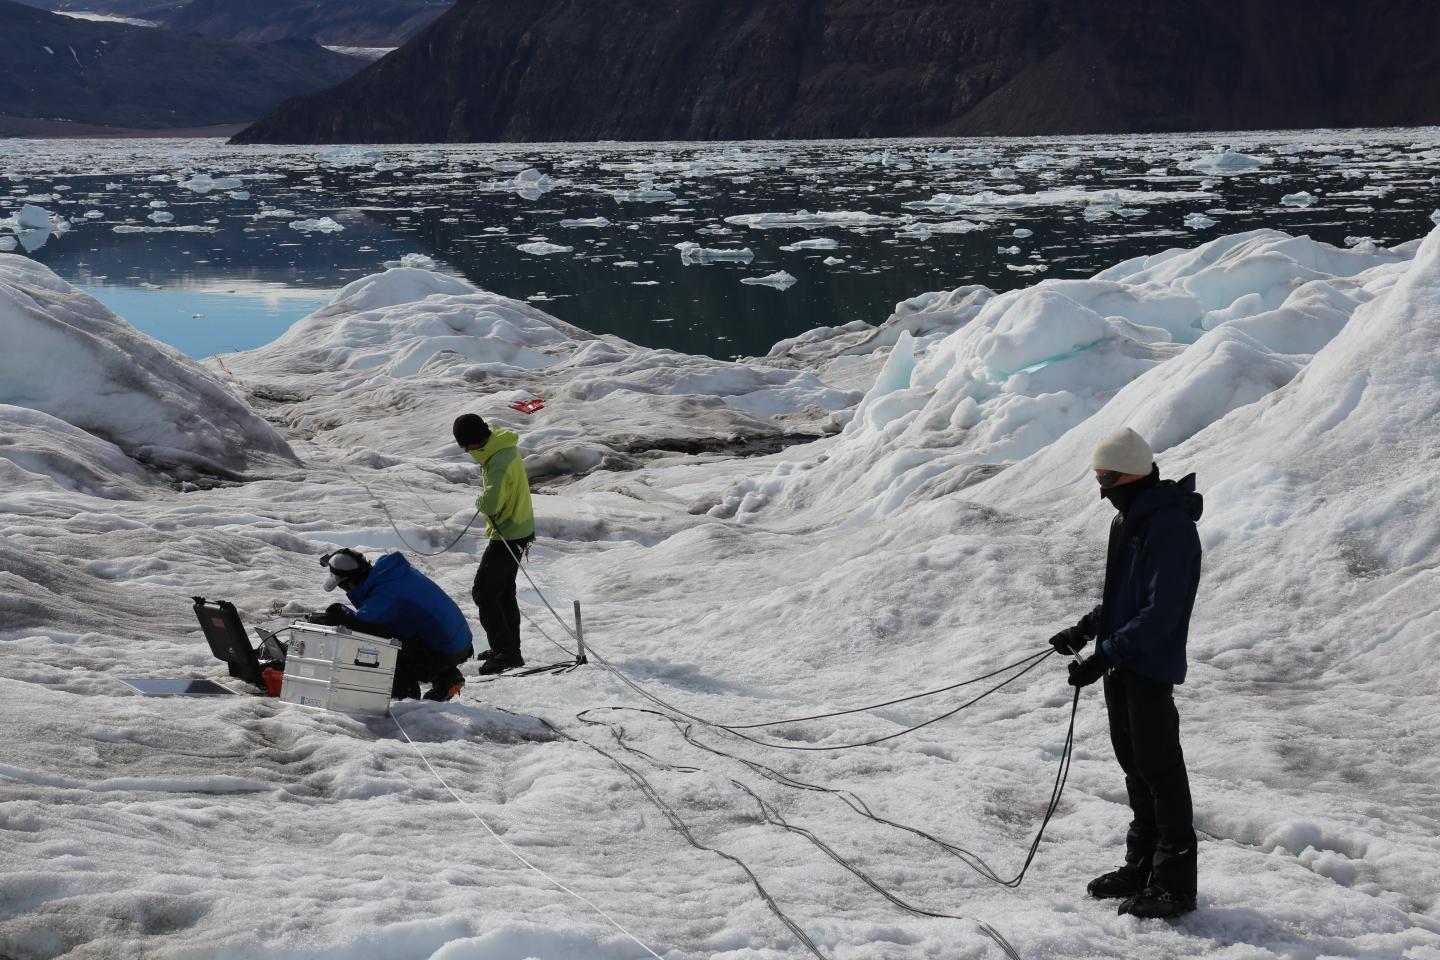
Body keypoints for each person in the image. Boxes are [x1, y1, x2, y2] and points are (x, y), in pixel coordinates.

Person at [1050, 426, 1202, 920]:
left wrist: (1105, 653)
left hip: (1148, 666)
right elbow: (1123, 597)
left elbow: (1161, 611)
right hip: (1122, 663)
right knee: (1136, 769)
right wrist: (1086, 629)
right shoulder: (1130, 520)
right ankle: (1141, 867)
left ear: (1130, 476)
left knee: (1161, 774)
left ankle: (1175, 886)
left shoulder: (1168, 526)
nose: (1101, 489)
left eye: (1106, 478)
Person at [310, 548, 474, 701]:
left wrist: (329, 620)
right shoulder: (389, 573)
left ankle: (405, 695)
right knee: (394, 635)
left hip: (446, 649)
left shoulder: (383, 596)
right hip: (459, 640)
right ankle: (447, 675)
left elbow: (362, 627)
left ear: (348, 582)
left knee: (380, 644)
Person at [453, 413, 535, 675]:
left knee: (484, 593)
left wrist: (479, 502)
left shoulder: (497, 461)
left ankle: (507, 654)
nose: (465, 451)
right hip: (519, 529)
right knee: (503, 592)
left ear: (475, 440)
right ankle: (509, 648)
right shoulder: (503, 447)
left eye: (465, 445)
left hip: (508, 534)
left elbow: (491, 504)